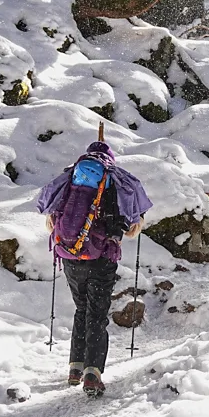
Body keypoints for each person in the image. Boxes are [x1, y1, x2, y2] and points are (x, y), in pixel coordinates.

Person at [36, 138, 152, 398]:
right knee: (97, 315)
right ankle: (93, 373)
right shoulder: (117, 181)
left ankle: (75, 368)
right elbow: (134, 223)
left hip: (69, 255)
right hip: (101, 257)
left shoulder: (70, 179)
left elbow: (48, 212)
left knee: (82, 308)